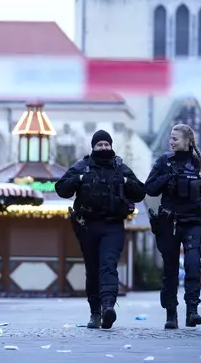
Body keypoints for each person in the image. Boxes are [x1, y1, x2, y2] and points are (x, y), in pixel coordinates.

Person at [55, 129, 146, 329]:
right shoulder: (82, 166)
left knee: (108, 265)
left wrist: (124, 181)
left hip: (113, 225)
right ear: (93, 147)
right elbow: (61, 188)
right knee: (93, 270)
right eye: (100, 145)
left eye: (107, 144)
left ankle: (108, 308)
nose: (103, 148)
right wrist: (78, 180)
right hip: (88, 226)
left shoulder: (120, 168)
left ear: (111, 146)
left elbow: (140, 191)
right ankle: (95, 313)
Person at [145, 124, 201, 330]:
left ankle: (192, 312)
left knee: (193, 266)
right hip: (169, 223)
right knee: (170, 270)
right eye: (170, 138)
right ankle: (171, 314)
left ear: (187, 141)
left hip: (193, 222)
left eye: (175, 138)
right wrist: (167, 177)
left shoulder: (200, 164)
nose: (171, 141)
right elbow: (149, 188)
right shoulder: (164, 162)